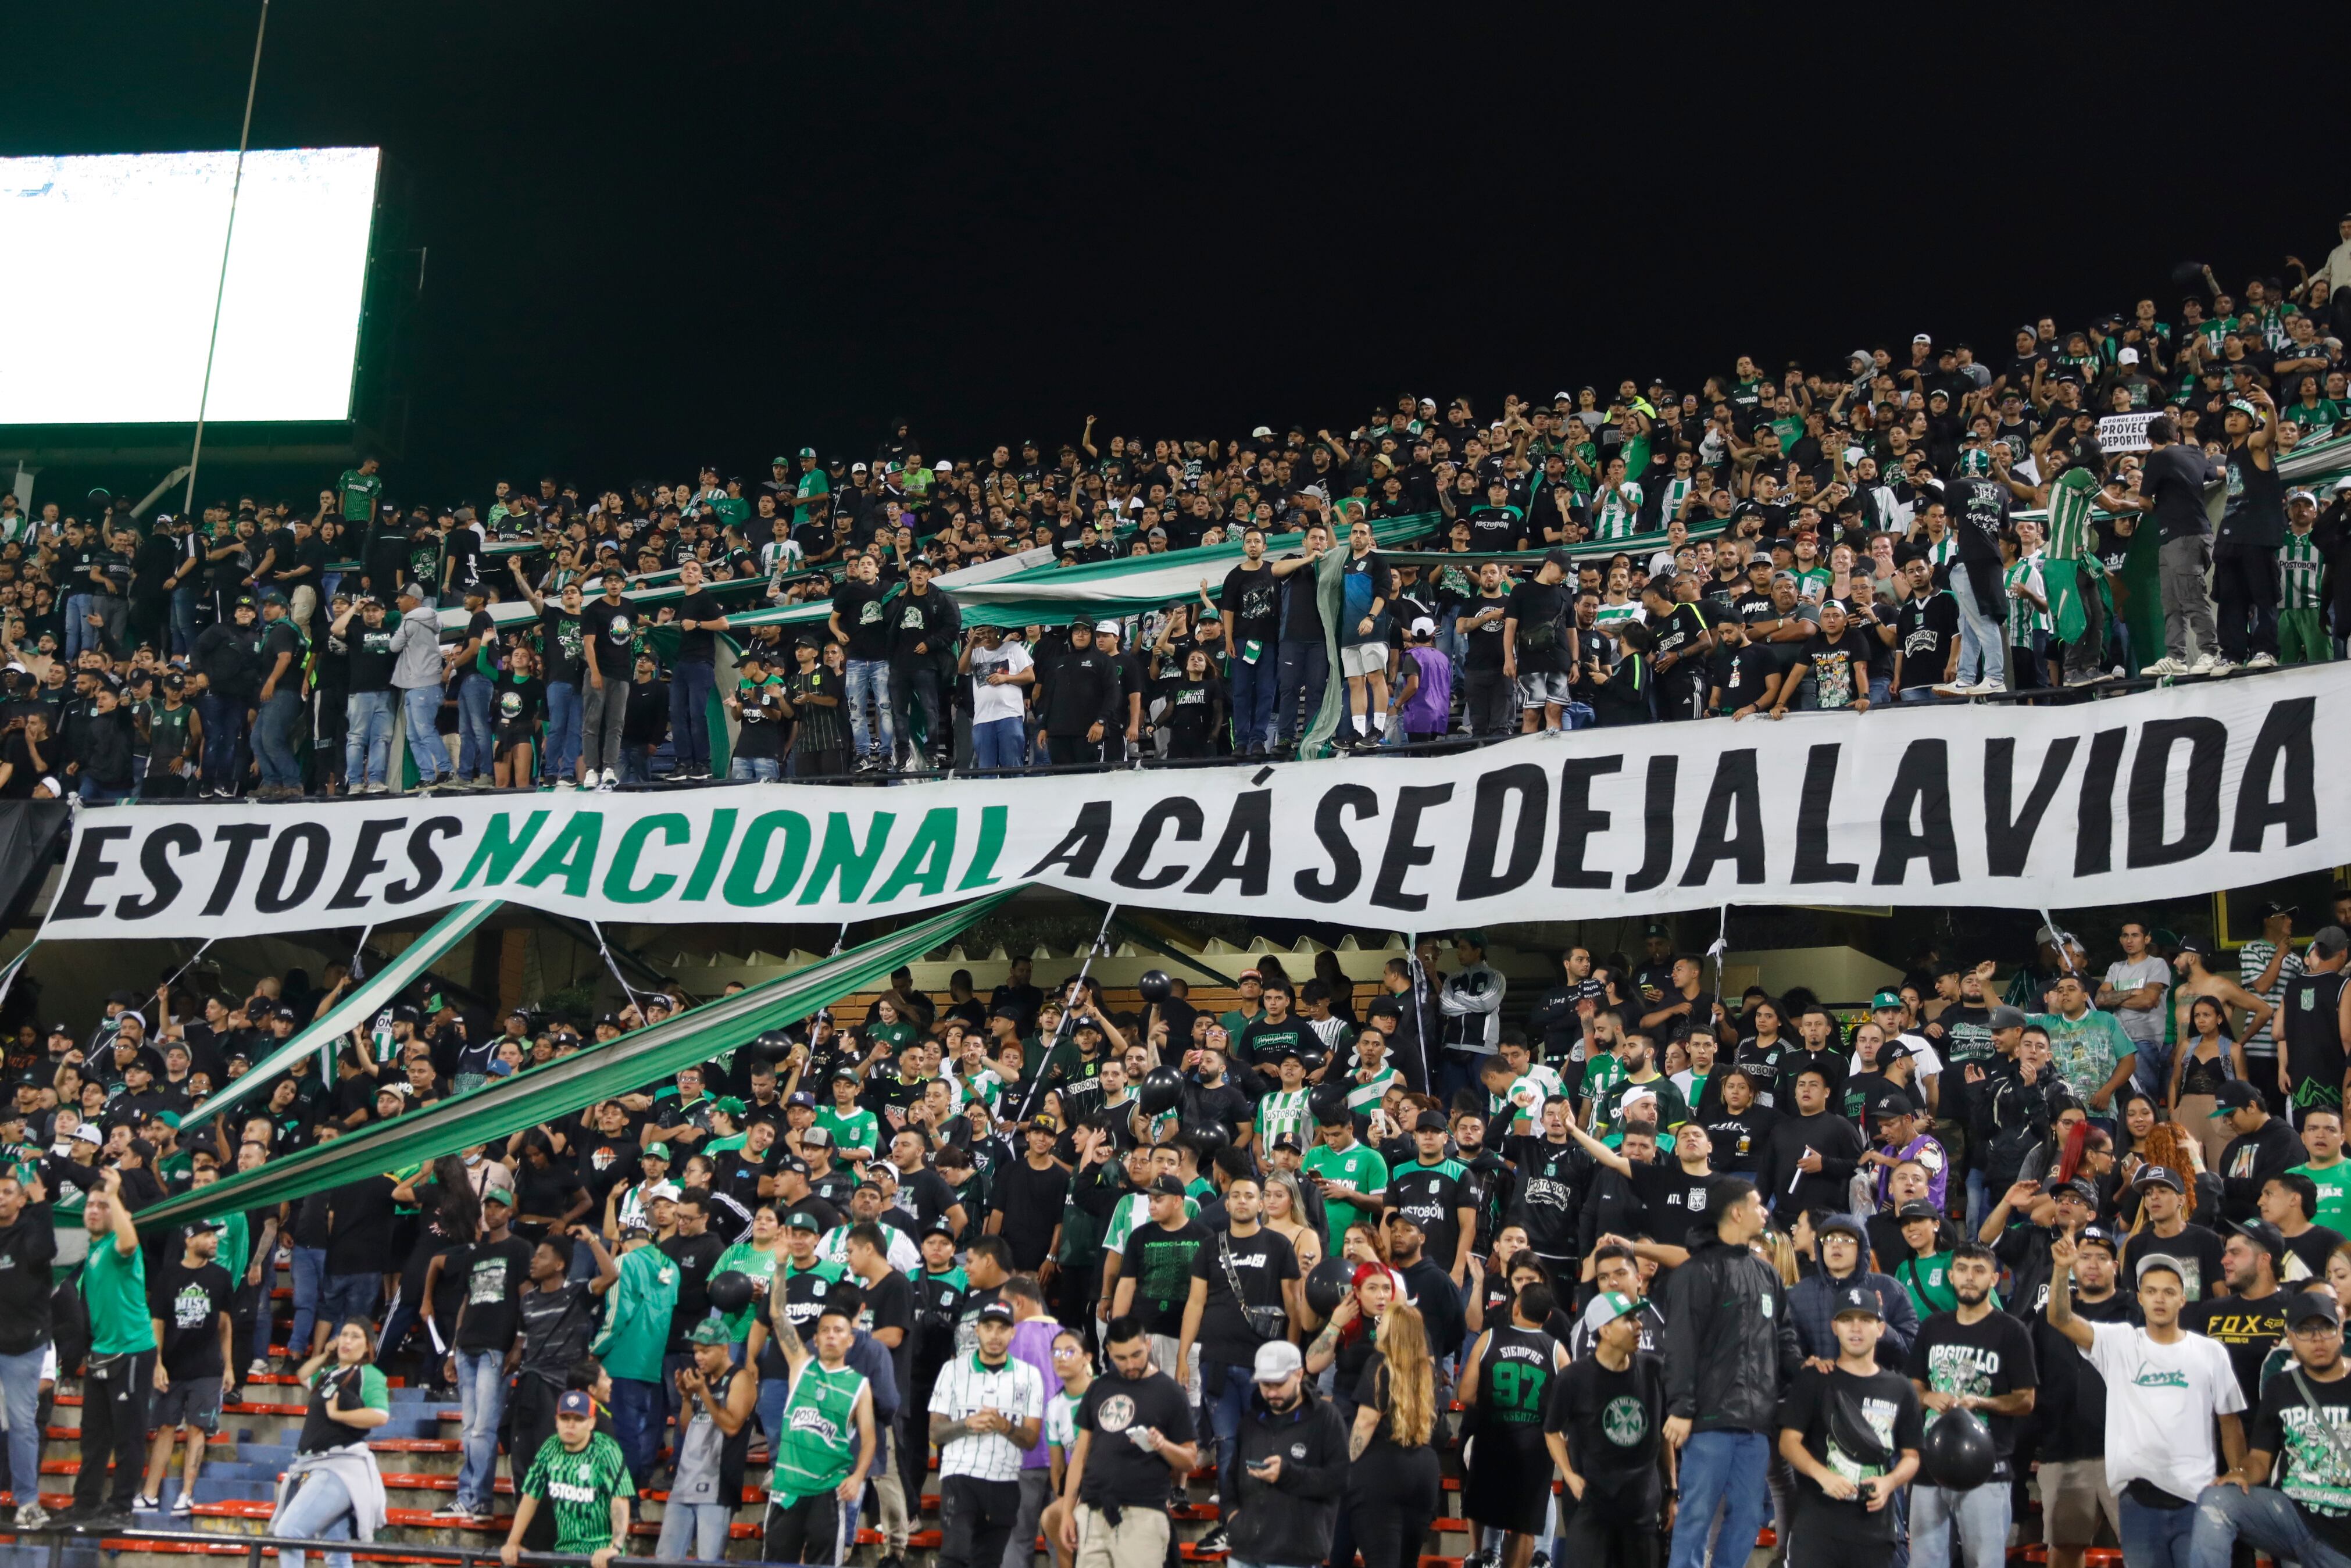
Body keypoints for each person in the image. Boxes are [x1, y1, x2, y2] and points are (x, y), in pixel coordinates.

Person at [2045, 1237, 2246, 1568]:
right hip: (2138, 1500)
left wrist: (2237, 1472)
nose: (2160, 1299)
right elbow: (2060, 1319)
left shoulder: (2211, 1352)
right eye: (2151, 1291)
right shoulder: (2120, 1342)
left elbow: (2230, 1422)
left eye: (2169, 1292)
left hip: (2198, 1499)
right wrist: (2061, 1268)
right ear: (2140, 1298)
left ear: (2183, 1299)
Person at [1660, 1176, 1802, 1568]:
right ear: (1737, 1212)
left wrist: (1808, 1372)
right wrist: (1682, 1407)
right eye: (1758, 1205)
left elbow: (1784, 1339)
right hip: (1707, 1420)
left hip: (1757, 1422)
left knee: (1748, 1518)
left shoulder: (1768, 1274)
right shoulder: (1694, 1272)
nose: (1765, 1211)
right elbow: (1681, 1344)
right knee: (1696, 1515)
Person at [2192, 1287, 2351, 1568]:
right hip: (2291, 1518)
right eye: (2305, 1330)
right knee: (2216, 1498)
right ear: (2290, 1338)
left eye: (2325, 1328)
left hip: (2342, 1536)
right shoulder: (2281, 1386)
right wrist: (2241, 1473)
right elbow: (2260, 1460)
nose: (2317, 1340)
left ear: (2341, 1332)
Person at [1905, 1241, 2038, 1568]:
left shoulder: (2012, 1331)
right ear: (1951, 1275)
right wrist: (1926, 1398)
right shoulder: (1932, 1327)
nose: (1969, 1277)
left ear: (1994, 1279)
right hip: (1929, 1464)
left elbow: (2026, 1400)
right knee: (1924, 1562)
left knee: (1985, 1563)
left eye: (1979, 1271)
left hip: (1988, 1468)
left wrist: (1982, 1401)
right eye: (1962, 1269)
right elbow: (1914, 1385)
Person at [1774, 1283, 1923, 1568]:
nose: (1856, 1328)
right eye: (1847, 1320)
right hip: (1817, 1528)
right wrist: (1822, 1475)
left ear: (1881, 1328)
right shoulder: (1814, 1380)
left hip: (1874, 1530)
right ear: (1834, 1327)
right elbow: (1788, 1442)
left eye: (1866, 1319)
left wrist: (1889, 1482)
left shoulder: (1901, 1388)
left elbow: (1912, 1456)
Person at [1056, 1315, 1198, 1568]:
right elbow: (1080, 1454)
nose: (1131, 1364)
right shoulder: (1098, 1388)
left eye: (1137, 1355)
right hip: (1093, 1511)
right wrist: (1068, 1512)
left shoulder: (1170, 1393)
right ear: (1108, 1351)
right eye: (1121, 1358)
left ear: (1148, 1345)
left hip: (1143, 1515)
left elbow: (1189, 1460)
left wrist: (1163, 1445)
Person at [1459, 1279, 1567, 1568]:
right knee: (1524, 1529)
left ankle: (1480, 1555)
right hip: (1534, 1450)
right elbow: (1567, 1406)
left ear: (1515, 1307)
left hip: (1492, 1442)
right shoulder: (1557, 1350)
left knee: (1485, 1516)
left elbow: (1466, 1393)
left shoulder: (1489, 1338)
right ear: (1547, 1318)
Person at [929, 1298, 1045, 1568]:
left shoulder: (1030, 1376)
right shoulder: (952, 1370)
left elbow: (1031, 1440)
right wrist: (966, 1424)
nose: (995, 1335)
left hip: (1005, 1479)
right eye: (989, 1327)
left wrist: (1006, 1427)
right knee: (954, 1555)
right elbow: (935, 1432)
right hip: (961, 1474)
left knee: (988, 1562)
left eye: (1002, 1328)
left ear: (1013, 1332)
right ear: (977, 1330)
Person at [269, 1320, 393, 1568]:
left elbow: (380, 1415)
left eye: (355, 1336)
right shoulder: (329, 1375)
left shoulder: (368, 1373)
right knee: (336, 1553)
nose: (347, 1341)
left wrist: (339, 1416)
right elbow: (302, 1375)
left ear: (368, 1347)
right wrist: (325, 1353)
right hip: (313, 1465)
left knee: (288, 1532)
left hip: (338, 1468)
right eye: (344, 1335)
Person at [66, 1166, 152, 1526]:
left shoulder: (120, 1245)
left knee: (128, 1435)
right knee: (93, 1436)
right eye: (90, 1204)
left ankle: (121, 1506)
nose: (93, 1211)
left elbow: (130, 1241)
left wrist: (116, 1195)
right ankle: (84, 1504)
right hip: (103, 1351)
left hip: (131, 1350)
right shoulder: (96, 1248)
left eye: (103, 1205)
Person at [763, 1298, 877, 1565]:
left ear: (850, 1340)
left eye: (838, 1331)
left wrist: (859, 1476)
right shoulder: (801, 1367)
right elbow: (777, 1313)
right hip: (788, 1488)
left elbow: (869, 1439)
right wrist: (780, 1264)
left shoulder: (859, 1386)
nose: (831, 1336)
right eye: (825, 1330)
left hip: (828, 1491)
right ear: (815, 1339)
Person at [137, 1219, 235, 1515]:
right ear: (189, 1240)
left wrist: (229, 1366)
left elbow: (225, 1325)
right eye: (208, 1236)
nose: (214, 1241)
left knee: (198, 1429)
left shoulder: (221, 1277)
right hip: (172, 1365)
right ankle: (150, 1494)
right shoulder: (167, 1277)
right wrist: (157, 1363)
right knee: (164, 1428)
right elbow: (158, 1324)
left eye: (214, 1236)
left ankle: (187, 1495)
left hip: (207, 1368)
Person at [1341, 1299, 1442, 1568]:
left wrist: (1348, 1463)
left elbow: (1367, 1420)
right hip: (1424, 1470)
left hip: (1383, 1470)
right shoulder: (1428, 1370)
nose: (1378, 1324)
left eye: (1383, 1321)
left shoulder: (1380, 1364)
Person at [658, 1319, 758, 1560]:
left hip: (717, 1487)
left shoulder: (740, 1378)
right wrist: (685, 1398)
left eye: (705, 1351)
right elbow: (685, 1428)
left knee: (709, 1562)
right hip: (685, 1483)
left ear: (724, 1348)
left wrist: (702, 1393)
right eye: (696, 1352)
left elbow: (733, 1426)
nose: (699, 1357)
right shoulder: (701, 1381)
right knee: (665, 1561)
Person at [500, 1388, 631, 1568]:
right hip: (565, 1553)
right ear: (556, 1421)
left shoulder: (606, 1450)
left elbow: (620, 1498)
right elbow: (531, 1496)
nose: (571, 1425)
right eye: (565, 1418)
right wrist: (513, 1541)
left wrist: (615, 1547)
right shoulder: (550, 1448)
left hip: (602, 1554)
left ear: (592, 1422)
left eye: (578, 1419)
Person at [0, 1169, 55, 1530]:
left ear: (21, 1200)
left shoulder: (32, 1229)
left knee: (22, 1424)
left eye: (7, 1192)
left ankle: (28, 1503)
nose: (1, 1197)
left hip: (24, 1344)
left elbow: (45, 1252)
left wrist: (43, 1205)